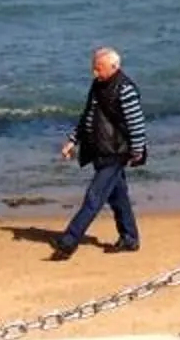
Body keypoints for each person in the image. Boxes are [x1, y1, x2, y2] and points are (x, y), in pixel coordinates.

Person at [53, 46, 147, 260]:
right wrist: (72, 141)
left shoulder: (125, 89)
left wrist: (137, 150)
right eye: (94, 68)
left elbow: (136, 123)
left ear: (114, 66)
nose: (95, 73)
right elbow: (88, 117)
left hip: (116, 153)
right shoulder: (97, 86)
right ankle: (130, 238)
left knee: (94, 197)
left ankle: (69, 241)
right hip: (99, 150)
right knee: (118, 196)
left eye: (99, 68)